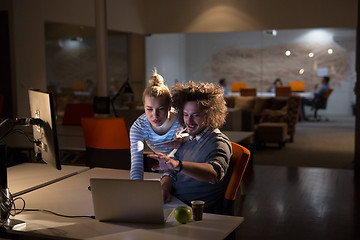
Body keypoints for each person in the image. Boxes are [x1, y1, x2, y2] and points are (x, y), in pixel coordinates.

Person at [148, 81, 232, 214]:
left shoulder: (218, 142)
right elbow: (171, 172)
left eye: (196, 115)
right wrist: (164, 188)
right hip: (173, 204)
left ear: (210, 115)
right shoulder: (186, 140)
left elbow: (214, 174)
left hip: (196, 213)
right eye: (186, 115)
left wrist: (178, 164)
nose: (189, 121)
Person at [129, 71, 183, 180]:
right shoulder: (139, 127)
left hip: (185, 167)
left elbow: (199, 147)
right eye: (149, 109)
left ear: (169, 106)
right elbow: (136, 165)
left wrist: (184, 144)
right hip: (163, 169)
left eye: (161, 109)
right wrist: (135, 188)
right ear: (144, 107)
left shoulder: (182, 119)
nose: (155, 115)